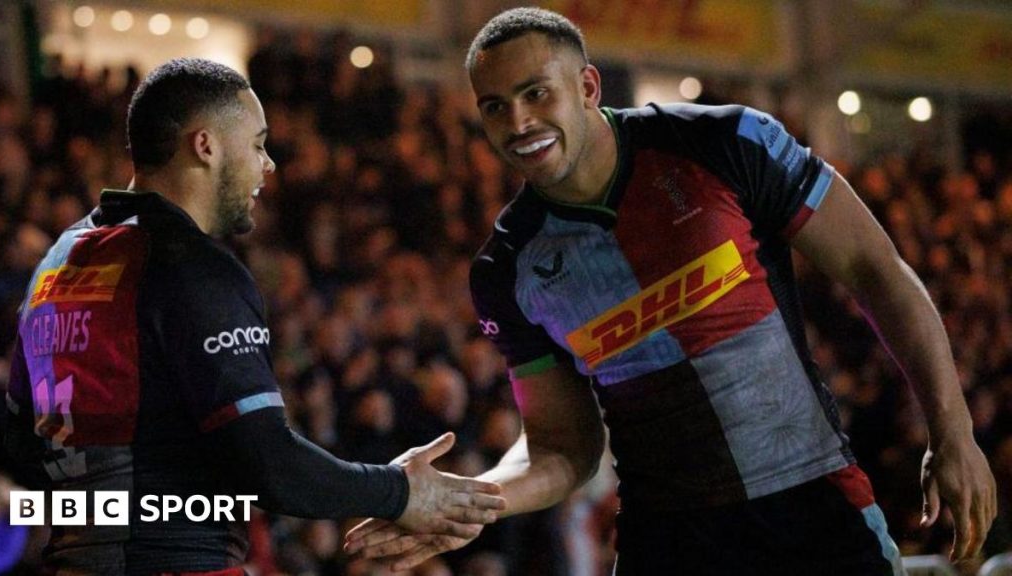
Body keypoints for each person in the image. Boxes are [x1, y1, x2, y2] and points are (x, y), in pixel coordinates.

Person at [344, 8, 996, 575]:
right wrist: (473, 497)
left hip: (814, 508)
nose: (518, 121)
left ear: (588, 86)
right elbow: (563, 447)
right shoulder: (504, 270)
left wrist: (953, 430)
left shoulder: (722, 142)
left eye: (536, 94)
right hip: (670, 542)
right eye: (495, 106)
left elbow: (874, 269)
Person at [4, 58, 504, 576]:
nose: (268, 165)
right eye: (258, 144)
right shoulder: (194, 269)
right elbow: (268, 464)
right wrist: (398, 491)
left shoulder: (57, 261)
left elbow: (21, 444)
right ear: (206, 146)